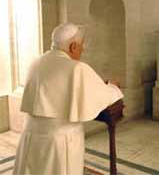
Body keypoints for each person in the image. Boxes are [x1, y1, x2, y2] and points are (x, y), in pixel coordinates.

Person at [13, 23, 124, 175]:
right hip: (59, 142)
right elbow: (102, 95)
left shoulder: (35, 62)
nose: (83, 49)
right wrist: (113, 87)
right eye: (81, 45)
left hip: (30, 136)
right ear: (73, 47)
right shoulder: (77, 68)